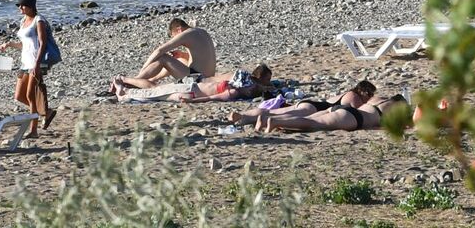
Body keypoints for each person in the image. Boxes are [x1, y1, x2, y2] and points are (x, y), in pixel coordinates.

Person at [112, 17, 218, 94]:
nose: (175, 39)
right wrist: (183, 55)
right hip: (209, 77)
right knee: (179, 59)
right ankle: (152, 79)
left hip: (198, 79)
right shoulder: (201, 32)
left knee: (164, 58)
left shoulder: (186, 34)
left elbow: (159, 50)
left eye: (174, 36)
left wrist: (143, 69)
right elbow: (202, 58)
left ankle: (133, 80)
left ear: (179, 29)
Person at [232, 81, 374, 131]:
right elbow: (356, 112)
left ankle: (243, 117)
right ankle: (265, 120)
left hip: (311, 103)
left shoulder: (346, 93)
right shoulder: (354, 96)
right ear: (363, 91)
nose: (370, 98)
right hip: (315, 109)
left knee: (274, 111)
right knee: (282, 115)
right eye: (369, 94)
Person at [13, 0, 55, 136]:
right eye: (19, 5)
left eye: (22, 5)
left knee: (31, 96)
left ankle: (33, 130)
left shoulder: (39, 20)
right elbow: (24, 44)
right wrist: (9, 44)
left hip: (36, 63)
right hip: (24, 63)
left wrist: (37, 64)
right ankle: (45, 112)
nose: (20, 8)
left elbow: (42, 43)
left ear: (30, 6)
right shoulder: (23, 21)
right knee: (19, 96)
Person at [259, 92, 405, 132]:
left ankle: (268, 120)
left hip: (344, 109)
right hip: (353, 118)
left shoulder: (377, 99)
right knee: (312, 123)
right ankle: (275, 121)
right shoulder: (391, 110)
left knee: (308, 119)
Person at [168, 63, 271, 103]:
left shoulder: (244, 79)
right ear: (259, 77)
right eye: (267, 79)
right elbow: (238, 86)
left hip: (200, 83)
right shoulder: (243, 79)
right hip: (197, 80)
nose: (268, 83)